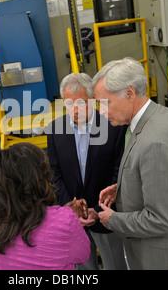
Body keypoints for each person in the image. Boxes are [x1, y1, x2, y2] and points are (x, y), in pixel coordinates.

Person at [93, 57, 168, 270]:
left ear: (130, 93)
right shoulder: (162, 116)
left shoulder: (155, 142)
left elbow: (160, 219)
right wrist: (123, 190)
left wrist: (113, 220)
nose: (101, 111)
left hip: (162, 259)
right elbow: (161, 180)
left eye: (105, 103)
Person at [47, 73, 128, 270]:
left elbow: (120, 172)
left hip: (106, 216)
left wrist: (99, 210)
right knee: (83, 269)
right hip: (73, 219)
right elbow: (54, 173)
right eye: (68, 103)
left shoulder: (113, 126)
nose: (75, 109)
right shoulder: (55, 129)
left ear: (93, 99)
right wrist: (71, 208)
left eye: (81, 103)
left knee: (115, 265)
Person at [0, 142, 90, 270]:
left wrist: (61, 214)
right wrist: (64, 218)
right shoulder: (65, 221)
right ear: (39, 180)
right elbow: (83, 255)